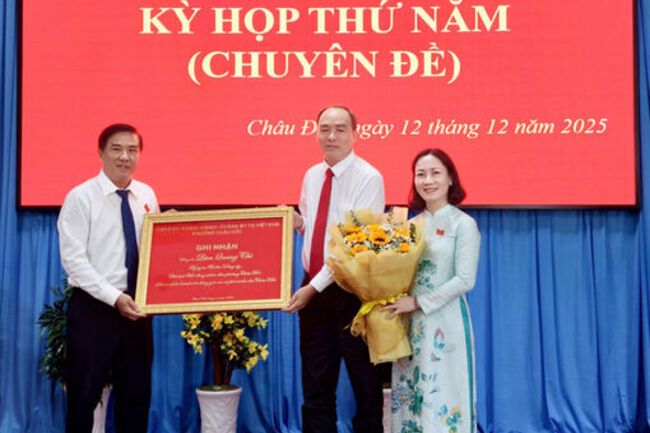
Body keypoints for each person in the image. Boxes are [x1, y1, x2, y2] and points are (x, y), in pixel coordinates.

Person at [284, 106, 385, 432]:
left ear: (355, 134)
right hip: (313, 288)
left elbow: (354, 245)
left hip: (353, 290)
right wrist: (296, 222)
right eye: (324, 128)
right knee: (315, 385)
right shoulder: (312, 175)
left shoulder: (369, 178)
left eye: (340, 129)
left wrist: (313, 288)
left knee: (365, 384)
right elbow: (314, 227)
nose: (331, 136)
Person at [57, 123, 159, 433]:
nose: (124, 156)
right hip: (94, 309)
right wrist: (114, 297)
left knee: (136, 395)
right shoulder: (80, 197)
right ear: (101, 153)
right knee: (83, 395)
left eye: (132, 150)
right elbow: (74, 261)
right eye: (116, 149)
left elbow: (154, 247)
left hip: (137, 309)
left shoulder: (146, 194)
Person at [382, 148, 481, 433]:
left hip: (445, 323)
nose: (428, 180)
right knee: (409, 390)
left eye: (435, 173)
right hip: (410, 323)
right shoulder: (408, 226)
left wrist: (418, 302)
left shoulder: (463, 224)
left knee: (444, 389)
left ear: (450, 179)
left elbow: (465, 280)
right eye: (421, 174)